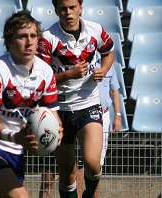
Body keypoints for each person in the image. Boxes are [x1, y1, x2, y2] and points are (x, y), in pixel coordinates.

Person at [0, 12, 62, 198]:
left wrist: (57, 130)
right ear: (9, 41)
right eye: (22, 36)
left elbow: (53, 115)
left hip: (16, 151)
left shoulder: (46, 72)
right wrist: (16, 138)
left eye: (33, 36)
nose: (29, 42)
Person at [36, 0, 115, 197]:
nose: (68, 13)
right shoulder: (47, 39)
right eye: (63, 8)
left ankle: (89, 193)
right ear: (56, 10)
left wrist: (103, 70)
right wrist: (67, 75)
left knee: (91, 162)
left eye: (72, 7)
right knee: (67, 175)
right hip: (58, 110)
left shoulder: (95, 30)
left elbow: (109, 52)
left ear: (81, 7)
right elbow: (40, 80)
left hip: (88, 104)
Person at [77, 63, 122, 198]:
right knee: (80, 163)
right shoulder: (83, 62)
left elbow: (114, 91)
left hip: (104, 115)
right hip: (84, 116)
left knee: (97, 163)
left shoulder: (110, 66)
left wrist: (118, 115)